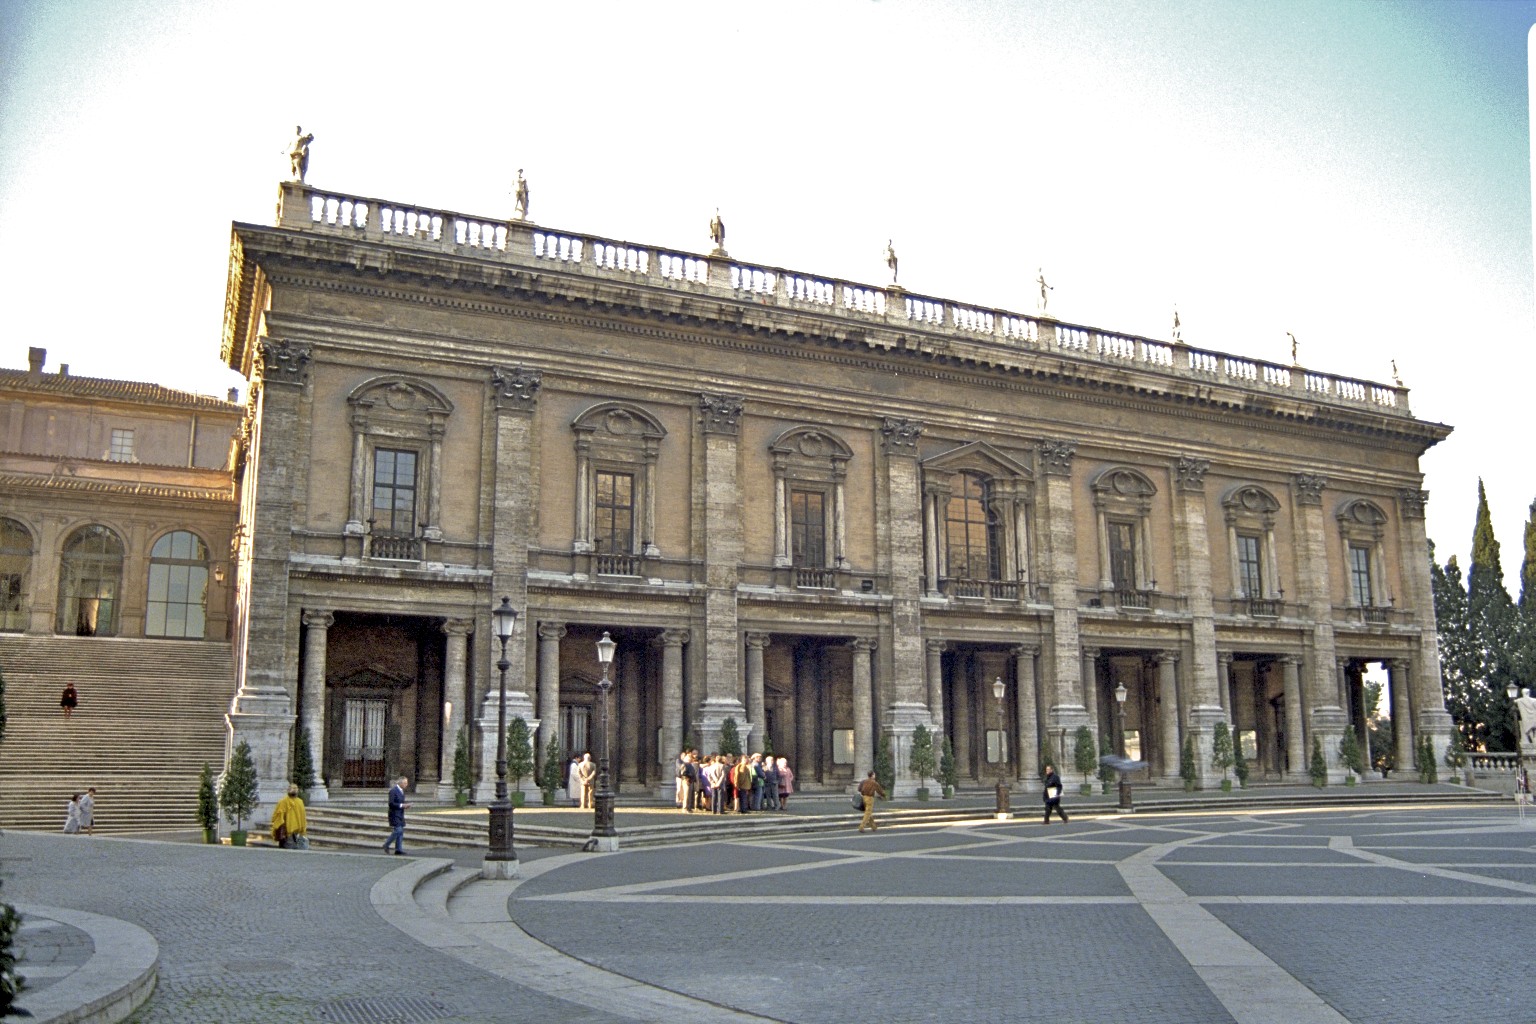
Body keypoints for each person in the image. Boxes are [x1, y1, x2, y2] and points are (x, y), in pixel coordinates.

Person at [272, 785, 307, 849]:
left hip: (286, 833)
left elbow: (276, 818)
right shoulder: (300, 802)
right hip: (297, 832)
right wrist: (303, 831)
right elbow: (303, 818)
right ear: (297, 792)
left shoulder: (282, 802)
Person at [384, 775, 408, 854]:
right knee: (398, 830)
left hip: (400, 813)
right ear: (400, 783)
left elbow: (400, 802)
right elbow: (391, 803)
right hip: (394, 814)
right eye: (405, 783)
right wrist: (401, 805)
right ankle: (386, 844)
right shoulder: (393, 791)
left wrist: (405, 806)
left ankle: (398, 849)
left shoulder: (401, 791)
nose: (406, 785)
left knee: (400, 832)